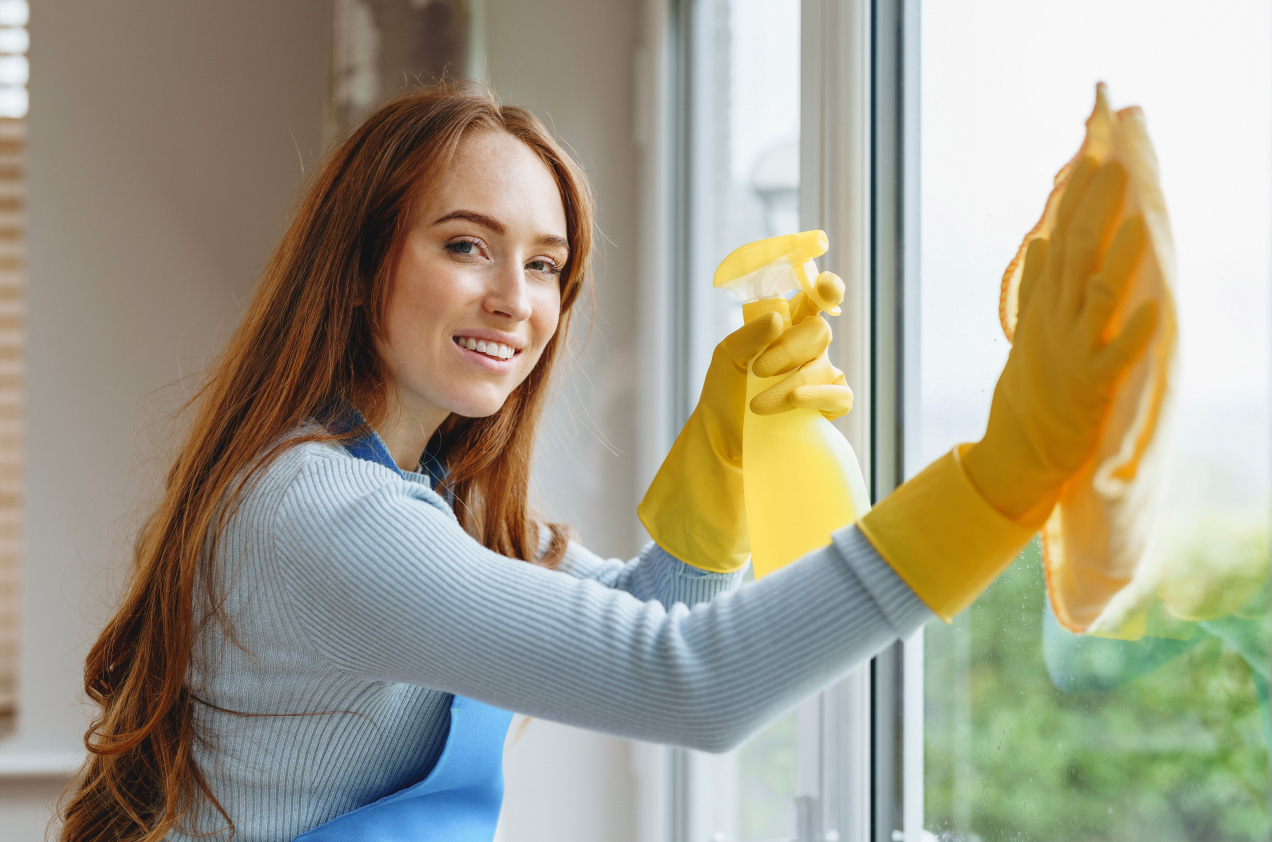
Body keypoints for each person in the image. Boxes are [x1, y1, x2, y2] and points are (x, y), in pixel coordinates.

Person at [57, 82, 1156, 842]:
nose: (515, 300)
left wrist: (714, 467)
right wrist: (1000, 476)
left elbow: (647, 619)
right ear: (360, 264)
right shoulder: (320, 514)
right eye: (465, 244)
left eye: (546, 263)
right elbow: (689, 682)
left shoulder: (417, 495)